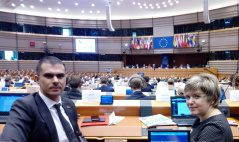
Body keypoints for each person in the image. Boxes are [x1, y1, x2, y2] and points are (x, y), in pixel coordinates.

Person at [0, 56, 87, 142]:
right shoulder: (24, 107)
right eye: (49, 76)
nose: (56, 81)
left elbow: (77, 135)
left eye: (60, 76)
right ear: (37, 79)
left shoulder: (69, 104)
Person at [184, 73, 233, 142]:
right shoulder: (202, 117)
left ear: (212, 99)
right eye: (188, 97)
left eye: (197, 96)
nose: (190, 102)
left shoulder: (214, 129)